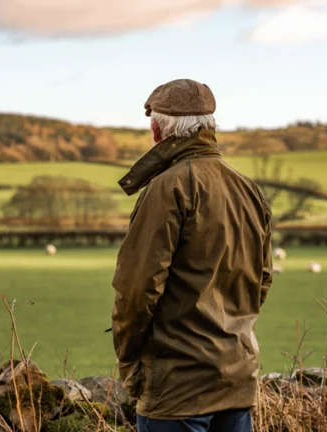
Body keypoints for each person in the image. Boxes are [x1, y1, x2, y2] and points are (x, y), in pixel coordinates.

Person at [111, 79, 273, 432]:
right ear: (210, 127)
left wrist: (128, 358)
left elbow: (138, 289)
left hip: (177, 389)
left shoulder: (167, 188)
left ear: (157, 130)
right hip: (237, 380)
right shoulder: (248, 189)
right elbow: (262, 280)